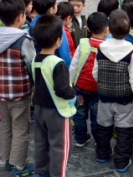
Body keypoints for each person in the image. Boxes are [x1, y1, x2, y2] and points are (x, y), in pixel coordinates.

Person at [0, 0, 36, 176]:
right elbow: (32, 67)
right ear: (20, 17)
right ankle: (19, 165)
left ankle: (8, 160)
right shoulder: (24, 40)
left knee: (6, 126)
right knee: (21, 128)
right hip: (18, 93)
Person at [93, 10, 133, 173]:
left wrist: (103, 84)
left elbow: (95, 72)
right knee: (124, 130)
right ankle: (121, 161)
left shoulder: (101, 48)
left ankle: (102, 154)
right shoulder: (131, 51)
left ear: (108, 28)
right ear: (128, 31)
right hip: (124, 99)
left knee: (103, 127)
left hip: (104, 97)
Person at [31, 14, 76, 177]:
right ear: (59, 40)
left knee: (41, 143)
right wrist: (74, 92)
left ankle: (41, 172)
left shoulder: (36, 59)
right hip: (57, 112)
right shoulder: (58, 63)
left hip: (40, 109)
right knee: (60, 147)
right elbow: (63, 90)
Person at [69, 12, 109, 147]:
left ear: (88, 28)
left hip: (80, 86)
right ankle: (98, 141)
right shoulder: (107, 45)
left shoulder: (83, 43)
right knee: (97, 116)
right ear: (107, 29)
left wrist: (70, 82)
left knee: (79, 114)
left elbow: (73, 65)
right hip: (98, 88)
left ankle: (80, 139)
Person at [29, 0, 72, 67]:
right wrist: (67, 67)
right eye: (56, 4)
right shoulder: (56, 23)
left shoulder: (33, 23)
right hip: (55, 63)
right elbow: (63, 50)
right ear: (51, 9)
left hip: (38, 63)